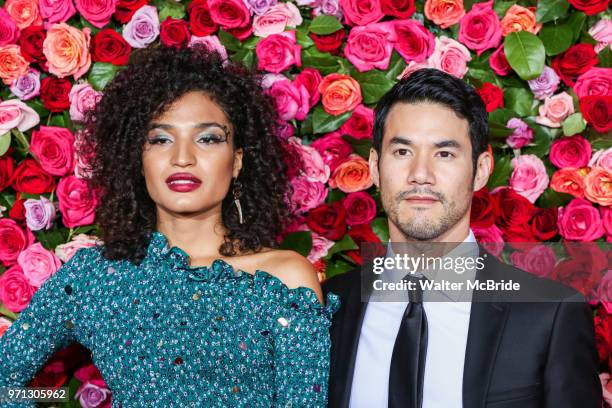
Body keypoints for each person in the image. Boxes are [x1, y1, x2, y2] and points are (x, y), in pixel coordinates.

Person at [0, 45, 338, 407]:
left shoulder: (285, 280)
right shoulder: (94, 277)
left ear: (237, 160)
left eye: (207, 138)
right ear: (137, 157)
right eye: (160, 139)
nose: (182, 158)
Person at [323, 68, 601, 408]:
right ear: (375, 167)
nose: (420, 175)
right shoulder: (326, 307)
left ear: (481, 169)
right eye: (402, 152)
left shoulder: (550, 315)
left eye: (444, 154)